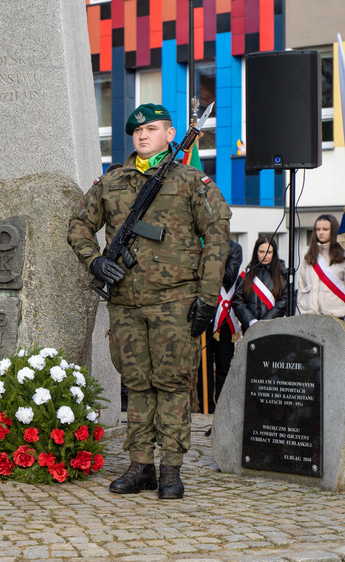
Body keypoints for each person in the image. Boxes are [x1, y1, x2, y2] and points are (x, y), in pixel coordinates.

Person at [67, 103, 231, 500]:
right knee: (137, 384)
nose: (143, 136)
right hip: (125, 302)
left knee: (172, 385)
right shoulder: (112, 182)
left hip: (175, 301)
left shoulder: (192, 180)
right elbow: (78, 225)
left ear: (171, 134)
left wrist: (208, 298)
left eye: (153, 129)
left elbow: (218, 233)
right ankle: (140, 466)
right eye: (138, 132)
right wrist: (96, 261)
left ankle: (171, 470)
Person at [198, 239, 243, 413]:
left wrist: (207, 266)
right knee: (204, 367)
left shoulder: (234, 248)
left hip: (223, 319)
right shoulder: (202, 243)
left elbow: (229, 277)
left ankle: (222, 410)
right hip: (203, 315)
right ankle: (205, 408)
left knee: (223, 366)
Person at [232, 235, 287, 333]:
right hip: (251, 329)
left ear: (274, 254)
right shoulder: (246, 275)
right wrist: (251, 321)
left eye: (269, 252)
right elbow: (237, 301)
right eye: (261, 252)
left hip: (274, 329)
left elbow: (284, 301)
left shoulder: (281, 274)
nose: (265, 256)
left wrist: (265, 322)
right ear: (256, 252)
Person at [297, 214, 345, 317]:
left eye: (325, 229)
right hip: (309, 315)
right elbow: (301, 288)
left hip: (336, 316)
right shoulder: (308, 258)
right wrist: (298, 313)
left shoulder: (342, 257)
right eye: (318, 229)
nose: (321, 232)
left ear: (333, 230)